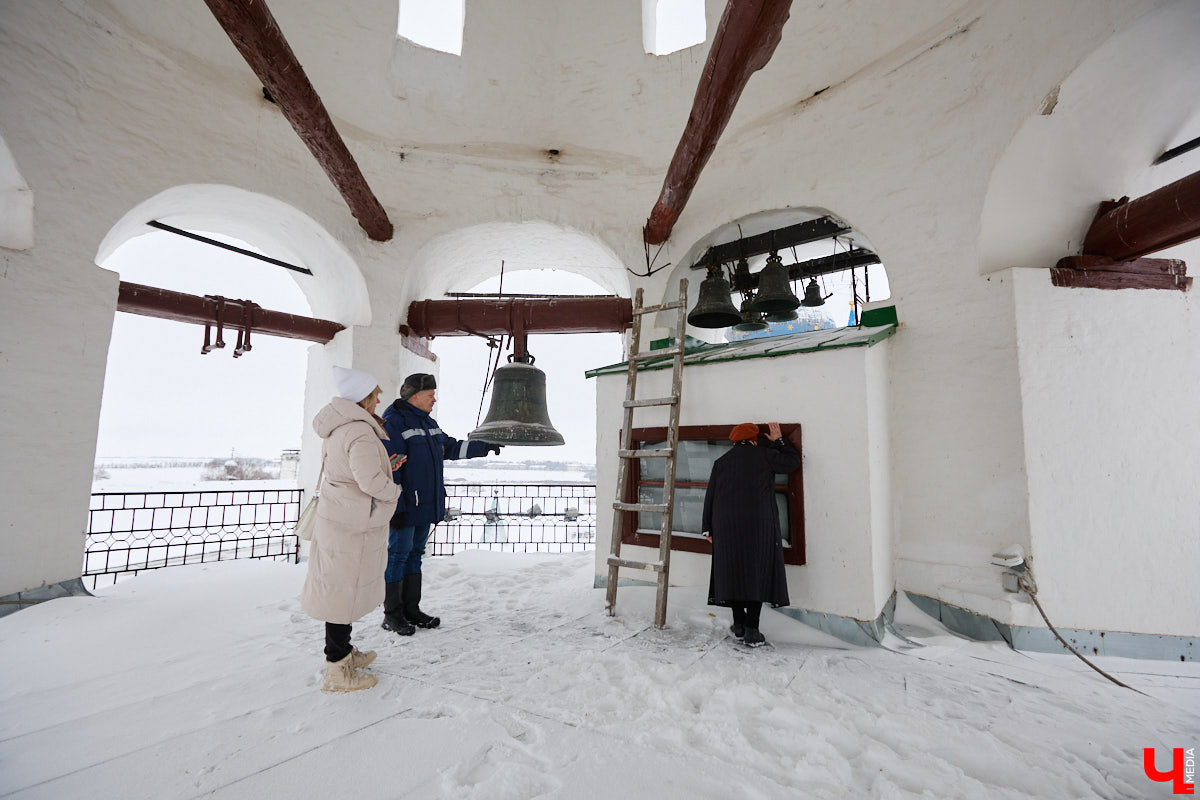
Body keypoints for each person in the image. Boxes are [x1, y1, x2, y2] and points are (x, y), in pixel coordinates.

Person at [300, 366, 403, 692]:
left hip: (340, 519)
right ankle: (337, 672)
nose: (377, 403)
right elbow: (369, 481)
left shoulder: (340, 427)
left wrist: (385, 465)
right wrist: (394, 490)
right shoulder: (359, 431)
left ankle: (342, 653)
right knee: (342, 595)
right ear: (364, 399)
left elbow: (349, 471)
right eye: (374, 397)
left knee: (340, 590)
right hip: (352, 526)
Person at [379, 373, 500, 635]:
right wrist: (396, 509)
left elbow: (450, 447)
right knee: (398, 556)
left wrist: (483, 446)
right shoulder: (394, 423)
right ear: (414, 396)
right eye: (430, 394)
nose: (434, 398)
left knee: (414, 556)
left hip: (426, 504)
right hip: (407, 505)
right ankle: (392, 614)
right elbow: (391, 469)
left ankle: (411, 609)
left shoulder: (428, 423)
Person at [702, 421, 802, 648]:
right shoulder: (765, 455)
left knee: (734, 572)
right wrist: (779, 441)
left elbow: (711, 495)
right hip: (759, 525)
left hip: (726, 527)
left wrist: (707, 527)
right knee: (757, 572)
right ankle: (752, 629)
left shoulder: (721, 462)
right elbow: (792, 462)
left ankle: (739, 625)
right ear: (754, 439)